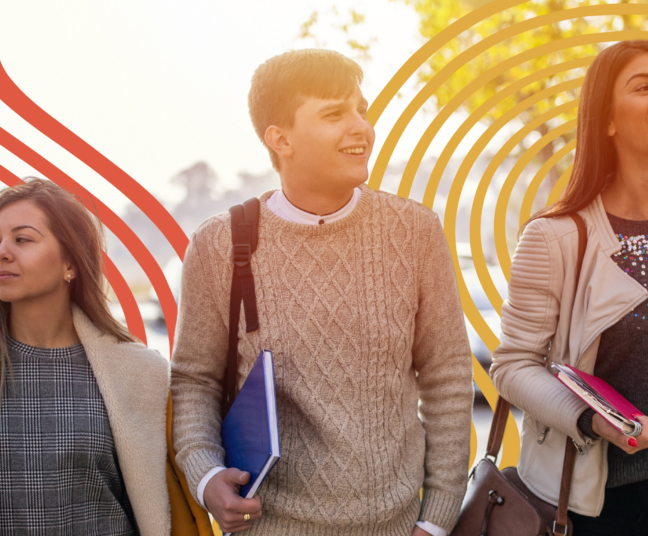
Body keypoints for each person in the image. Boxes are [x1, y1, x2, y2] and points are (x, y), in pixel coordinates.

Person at [169, 49, 472, 536]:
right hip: (268, 527)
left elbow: (448, 379)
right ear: (280, 139)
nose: (361, 127)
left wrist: (436, 519)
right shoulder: (218, 245)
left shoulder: (415, 231)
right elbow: (194, 382)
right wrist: (206, 477)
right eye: (335, 114)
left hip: (398, 526)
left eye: (362, 110)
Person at [488, 40, 648, 536]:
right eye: (643, 87)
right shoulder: (556, 236)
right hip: (591, 506)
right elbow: (513, 365)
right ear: (606, 121)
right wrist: (589, 419)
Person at [0, 178, 197, 535]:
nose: (1, 252)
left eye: (23, 239)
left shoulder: (142, 375)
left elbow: (175, 513)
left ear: (70, 264)